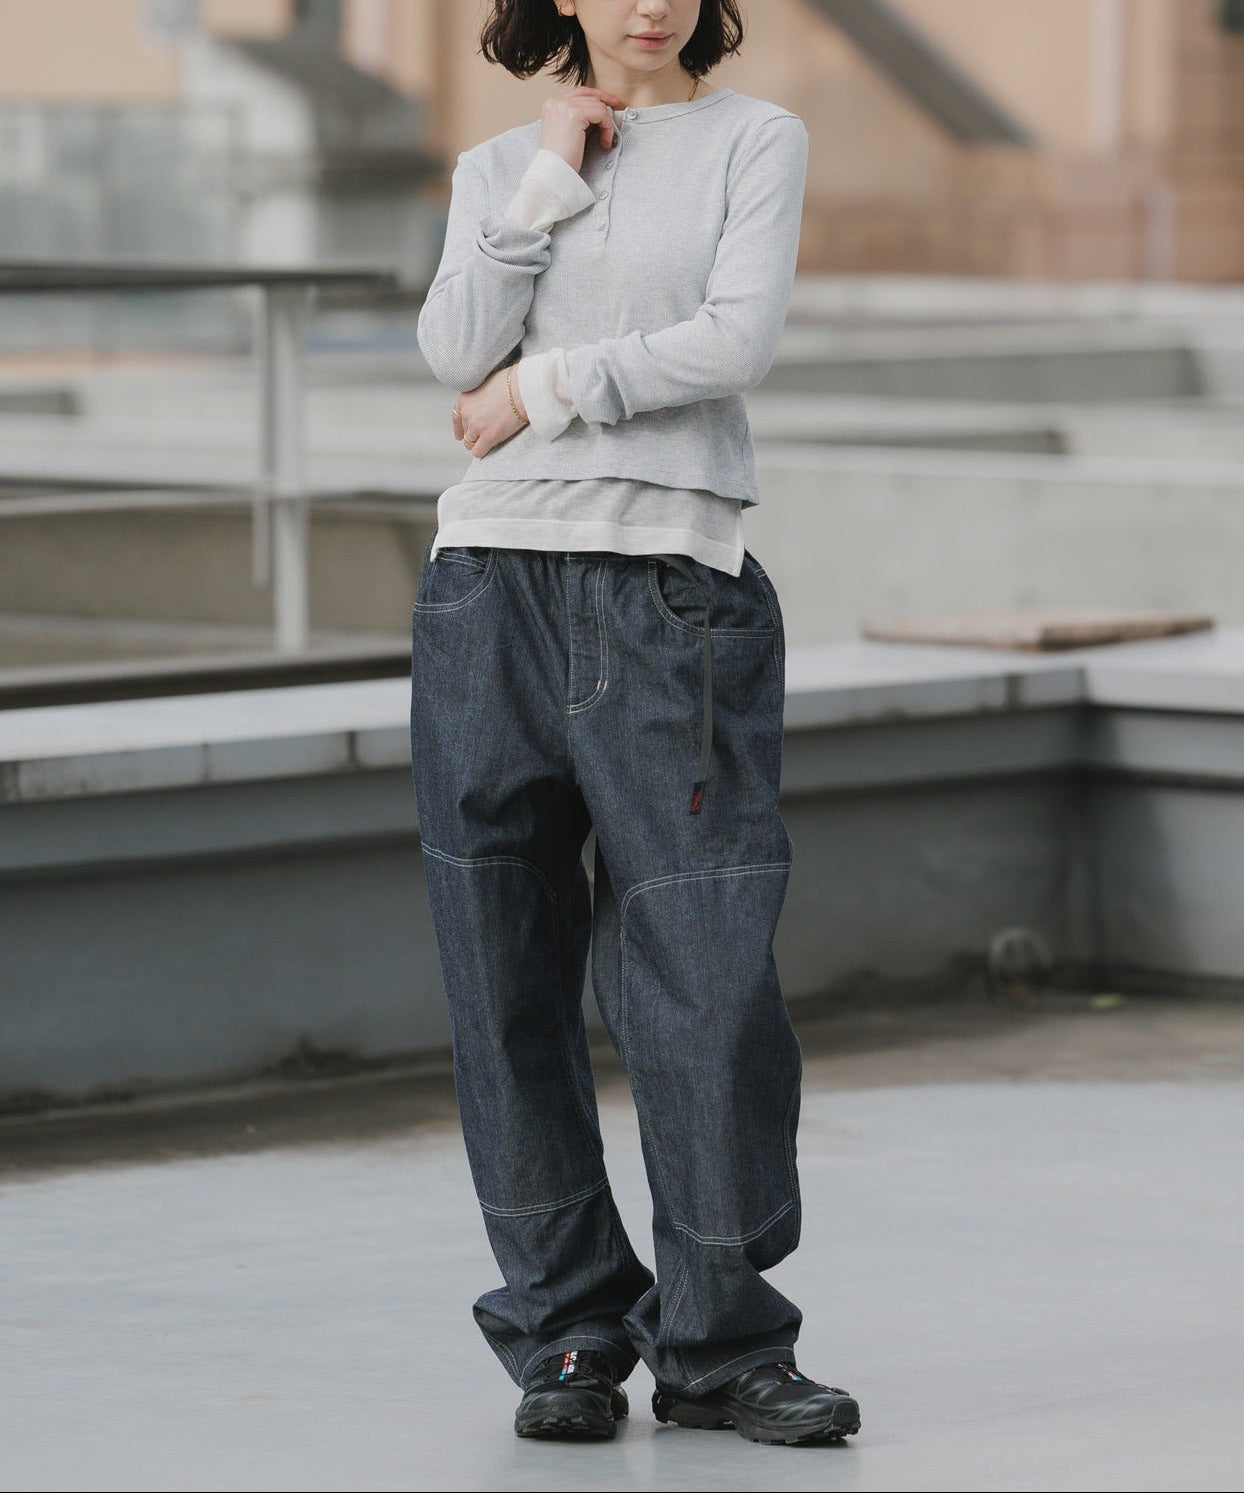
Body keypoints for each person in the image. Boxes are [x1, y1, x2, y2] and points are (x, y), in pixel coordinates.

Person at [410, 0, 860, 1448]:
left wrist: (542, 386)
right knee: (502, 970)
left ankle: (722, 1341)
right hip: (488, 589)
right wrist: (550, 176)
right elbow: (449, 347)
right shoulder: (500, 167)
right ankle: (568, 1325)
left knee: (708, 974)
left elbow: (733, 341)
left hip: (674, 591)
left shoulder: (754, 139)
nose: (647, 4)